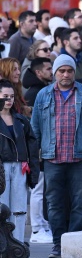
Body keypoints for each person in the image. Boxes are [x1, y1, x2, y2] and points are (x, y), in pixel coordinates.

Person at [30, 55, 82, 258]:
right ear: (55, 73)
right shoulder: (43, 95)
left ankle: (75, 243)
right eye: (61, 71)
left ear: (74, 72)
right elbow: (35, 128)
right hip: (52, 157)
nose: (65, 74)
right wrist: (33, 156)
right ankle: (58, 243)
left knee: (80, 202)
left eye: (69, 70)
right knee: (54, 203)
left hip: (79, 157)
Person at [0, 79, 39, 245]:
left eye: (11, 96)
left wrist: (34, 173)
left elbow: (32, 148)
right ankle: (4, 247)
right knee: (3, 208)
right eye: (5, 96)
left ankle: (18, 247)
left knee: (20, 209)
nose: (9, 100)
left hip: (20, 166)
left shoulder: (21, 121)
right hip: (2, 168)